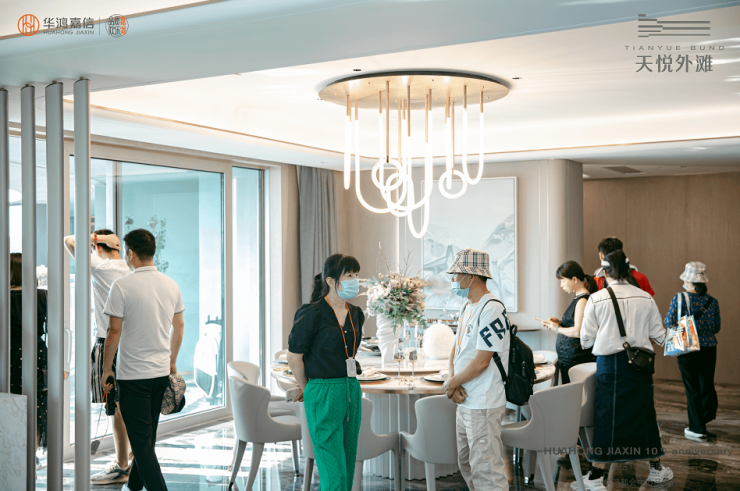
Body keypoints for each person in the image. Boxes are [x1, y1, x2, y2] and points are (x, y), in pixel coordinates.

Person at [576, 250, 671, 491]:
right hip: (640, 365)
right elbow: (660, 336)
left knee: (606, 417)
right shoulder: (645, 298)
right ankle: (656, 469)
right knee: (645, 415)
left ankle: (596, 477)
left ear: (605, 273)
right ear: (629, 271)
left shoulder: (597, 299)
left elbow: (585, 340)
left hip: (609, 365)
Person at [101, 229, 184, 491]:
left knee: (142, 444)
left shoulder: (121, 286)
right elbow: (179, 326)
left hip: (133, 377)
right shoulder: (171, 284)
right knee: (146, 439)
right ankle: (134, 484)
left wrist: (106, 369)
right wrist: (172, 361)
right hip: (160, 374)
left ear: (130, 253)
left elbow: (113, 331)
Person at [287, 254, 364, 491]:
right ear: (331, 281)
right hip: (322, 391)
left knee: (347, 467)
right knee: (334, 473)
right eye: (349, 275)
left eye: (356, 275)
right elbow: (294, 357)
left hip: (351, 388)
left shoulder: (356, 313)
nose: (355, 280)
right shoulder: (312, 313)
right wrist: (308, 388)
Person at [64, 230, 133, 485]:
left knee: (114, 405)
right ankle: (129, 455)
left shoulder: (101, 266)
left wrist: (90, 237)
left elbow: (69, 241)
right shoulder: (130, 268)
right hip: (131, 342)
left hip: (109, 341)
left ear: (97, 247)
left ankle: (121, 465)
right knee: (129, 402)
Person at [441, 248, 510, 491]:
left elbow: (482, 361)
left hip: (483, 402)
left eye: (456, 274)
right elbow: (456, 350)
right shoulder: (467, 306)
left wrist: (451, 384)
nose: (452, 279)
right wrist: (453, 382)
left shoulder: (492, 308)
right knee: (468, 465)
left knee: (487, 471)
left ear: (470, 276)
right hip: (465, 400)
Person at [664, 262, 720, 442]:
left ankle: (697, 428)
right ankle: (703, 419)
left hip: (687, 348)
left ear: (689, 282)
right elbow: (716, 327)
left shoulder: (679, 298)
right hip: (709, 348)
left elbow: (669, 321)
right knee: (706, 385)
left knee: (692, 389)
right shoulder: (712, 302)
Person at [9, 252, 48, 460]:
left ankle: (14, 458)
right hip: (37, 353)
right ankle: (30, 458)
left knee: (11, 403)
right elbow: (54, 329)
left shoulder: (3, 297)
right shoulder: (41, 295)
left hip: (9, 355)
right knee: (37, 405)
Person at [541, 261, 597, 384]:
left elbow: (578, 331)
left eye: (563, 281)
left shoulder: (582, 300)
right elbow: (577, 322)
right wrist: (560, 321)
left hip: (575, 359)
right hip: (570, 358)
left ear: (574, 279)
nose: (561, 285)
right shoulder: (579, 298)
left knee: (573, 392)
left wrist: (556, 328)